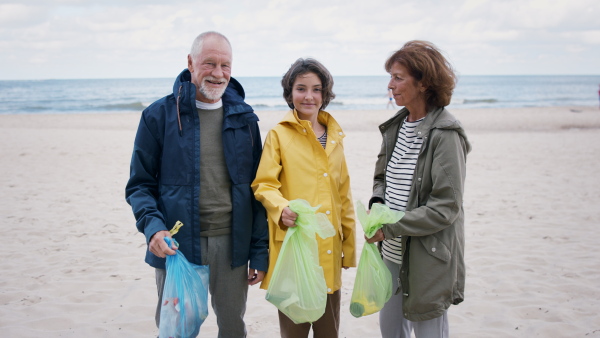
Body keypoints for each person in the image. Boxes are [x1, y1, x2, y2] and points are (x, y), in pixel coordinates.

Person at [125, 31, 268, 337]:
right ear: (190, 63)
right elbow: (139, 185)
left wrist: (259, 251)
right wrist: (153, 228)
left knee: (232, 327)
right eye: (209, 63)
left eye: (225, 65)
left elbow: (259, 192)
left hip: (232, 245)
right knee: (175, 329)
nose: (218, 73)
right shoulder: (158, 116)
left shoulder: (246, 120)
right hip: (176, 246)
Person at [366, 40, 471, 338]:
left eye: (398, 78)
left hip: (428, 257)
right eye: (391, 77)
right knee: (390, 331)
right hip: (391, 255)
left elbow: (446, 208)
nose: (390, 85)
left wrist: (390, 227)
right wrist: (376, 203)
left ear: (423, 83)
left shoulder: (446, 134)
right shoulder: (395, 127)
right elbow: (381, 178)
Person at [251, 58, 356, 338]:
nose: (309, 96)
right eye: (301, 88)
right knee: (293, 330)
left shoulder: (335, 137)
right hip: (295, 249)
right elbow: (264, 184)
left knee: (328, 330)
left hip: (330, 250)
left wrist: (350, 245)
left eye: (317, 89)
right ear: (290, 93)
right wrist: (281, 208)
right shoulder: (278, 134)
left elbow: (343, 194)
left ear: (325, 95)